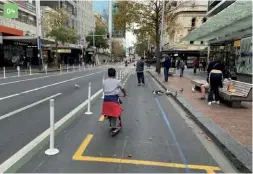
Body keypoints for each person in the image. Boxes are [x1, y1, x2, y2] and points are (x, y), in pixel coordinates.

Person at [102, 68, 127, 132]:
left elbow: (104, 90)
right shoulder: (117, 81)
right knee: (116, 112)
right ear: (115, 74)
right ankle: (113, 126)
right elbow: (122, 88)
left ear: (108, 74)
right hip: (113, 99)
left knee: (109, 112)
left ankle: (110, 122)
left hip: (106, 100)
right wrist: (124, 94)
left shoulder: (104, 81)